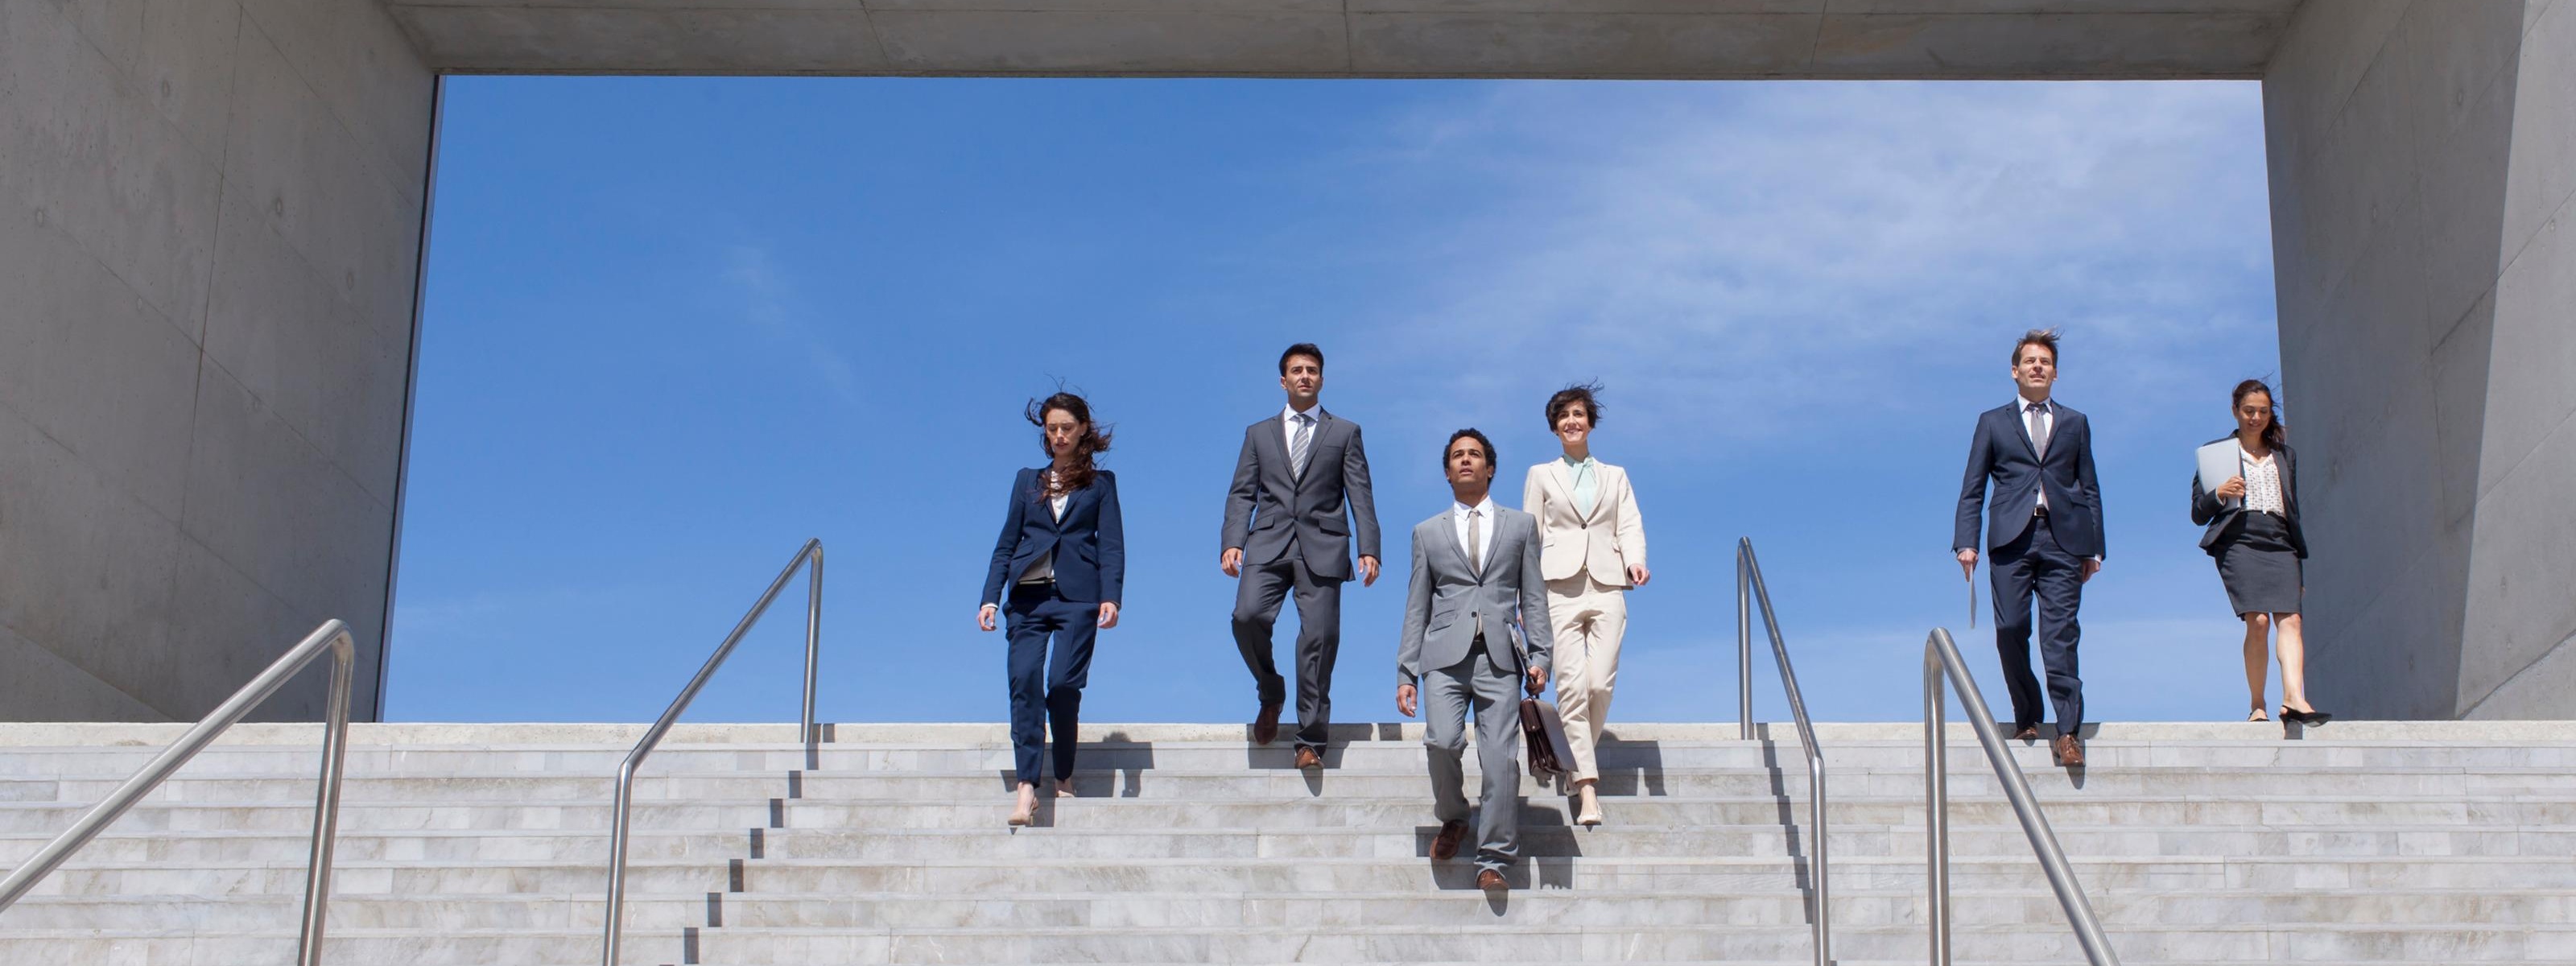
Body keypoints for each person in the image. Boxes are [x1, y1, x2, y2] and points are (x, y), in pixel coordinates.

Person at [1397, 429, 1552, 892]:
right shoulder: (1427, 533)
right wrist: (1406, 670)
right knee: (1442, 743)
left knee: (1501, 760)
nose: (1467, 461)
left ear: (1490, 468)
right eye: (1458, 456)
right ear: (1448, 471)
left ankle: (1495, 860)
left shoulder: (1521, 526)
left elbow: (1535, 596)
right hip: (1443, 655)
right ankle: (1454, 817)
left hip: (1501, 657)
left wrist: (1542, 653)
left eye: (1475, 455)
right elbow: (1416, 606)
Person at [1221, 343, 1382, 770]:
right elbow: (1242, 492)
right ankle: (1270, 690)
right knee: (1246, 616)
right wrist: (1232, 540)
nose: (1305, 376)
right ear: (1283, 380)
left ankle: (1310, 739)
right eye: (1297, 370)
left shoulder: (1345, 432)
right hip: (1268, 542)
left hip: (1324, 545)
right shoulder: (1258, 434)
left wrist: (1369, 547)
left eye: (1312, 370)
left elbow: (1360, 494)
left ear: (1322, 379)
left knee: (1319, 639)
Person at [1954, 329, 2105, 767]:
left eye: (2045, 361)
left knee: (2060, 635)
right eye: (2030, 361)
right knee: (2010, 630)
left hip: (2064, 540)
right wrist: (1966, 540)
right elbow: (1972, 488)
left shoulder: (2075, 422)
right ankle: (2027, 712)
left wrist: (2094, 548)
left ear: (2055, 372)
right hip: (2010, 540)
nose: (2038, 366)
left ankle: (2069, 731)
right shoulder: (1992, 422)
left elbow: (2090, 487)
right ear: (2015, 371)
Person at [979, 392, 1125, 826]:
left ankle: (1063, 771)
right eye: (1051, 428)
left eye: (1066, 427)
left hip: (1079, 597)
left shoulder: (1102, 485)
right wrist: (990, 596)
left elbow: (1112, 545)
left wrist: (1111, 596)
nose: (1058, 435)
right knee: (1024, 681)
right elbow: (1006, 543)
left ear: (1083, 429)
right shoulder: (1028, 480)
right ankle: (1027, 786)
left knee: (1062, 685)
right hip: (1027, 598)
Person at [1519, 382, 1647, 827]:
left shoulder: (1616, 475)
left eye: (1578, 414)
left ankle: (1571, 756)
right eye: (1563, 416)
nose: (1571, 421)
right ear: (1555, 427)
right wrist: (1524, 595)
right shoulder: (1540, 475)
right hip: (1557, 587)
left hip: (1608, 583)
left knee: (1599, 686)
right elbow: (1529, 538)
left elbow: (1628, 523)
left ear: (1591, 421)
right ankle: (1587, 788)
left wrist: (1635, 562)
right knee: (1571, 687)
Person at [2191, 380, 2328, 726]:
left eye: (2263, 412)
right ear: (2236, 410)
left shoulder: (2285, 455)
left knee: (2292, 619)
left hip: (2280, 540)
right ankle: (2257, 705)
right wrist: (2219, 493)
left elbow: (2293, 510)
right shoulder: (2216, 454)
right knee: (2260, 621)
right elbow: (2197, 512)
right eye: (2249, 411)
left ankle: (2294, 699)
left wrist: (2300, 564)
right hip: (2240, 540)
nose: (2256, 418)